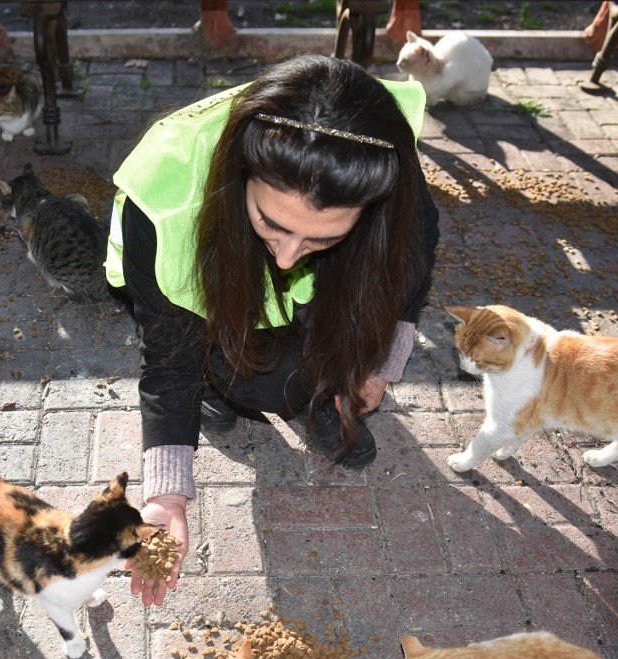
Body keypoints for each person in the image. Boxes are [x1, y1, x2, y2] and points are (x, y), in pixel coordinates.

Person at [105, 55, 440, 606]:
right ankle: (221, 383)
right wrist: (167, 494)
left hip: (306, 276)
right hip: (199, 279)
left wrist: (380, 364)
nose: (287, 259)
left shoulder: (380, 166)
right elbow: (167, 356)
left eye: (320, 238)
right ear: (241, 177)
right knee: (258, 379)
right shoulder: (166, 203)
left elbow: (411, 266)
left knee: (337, 336)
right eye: (273, 223)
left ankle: (323, 392)